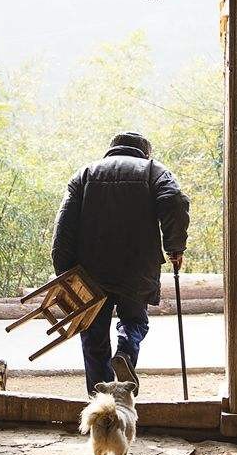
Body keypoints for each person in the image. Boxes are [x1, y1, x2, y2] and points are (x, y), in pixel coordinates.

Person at [51, 131, 190, 396]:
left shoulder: (86, 174)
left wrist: (64, 271)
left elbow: (64, 226)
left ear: (111, 150)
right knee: (135, 321)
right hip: (137, 269)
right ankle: (125, 352)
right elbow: (175, 202)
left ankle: (100, 404)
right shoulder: (153, 171)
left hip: (90, 272)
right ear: (144, 152)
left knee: (93, 335)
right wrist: (174, 247)